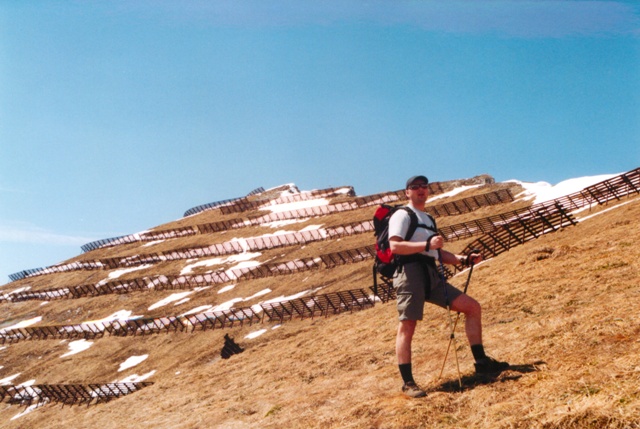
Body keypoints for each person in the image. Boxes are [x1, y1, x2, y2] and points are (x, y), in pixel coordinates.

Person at [389, 175, 509, 398]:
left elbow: (437, 253)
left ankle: (481, 362)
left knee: (472, 307)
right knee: (408, 326)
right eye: (415, 187)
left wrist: (463, 259)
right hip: (409, 272)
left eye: (424, 186)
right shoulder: (402, 214)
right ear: (407, 193)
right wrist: (426, 244)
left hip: (431, 273)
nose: (420, 190)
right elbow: (394, 246)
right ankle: (408, 383)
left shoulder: (428, 218)